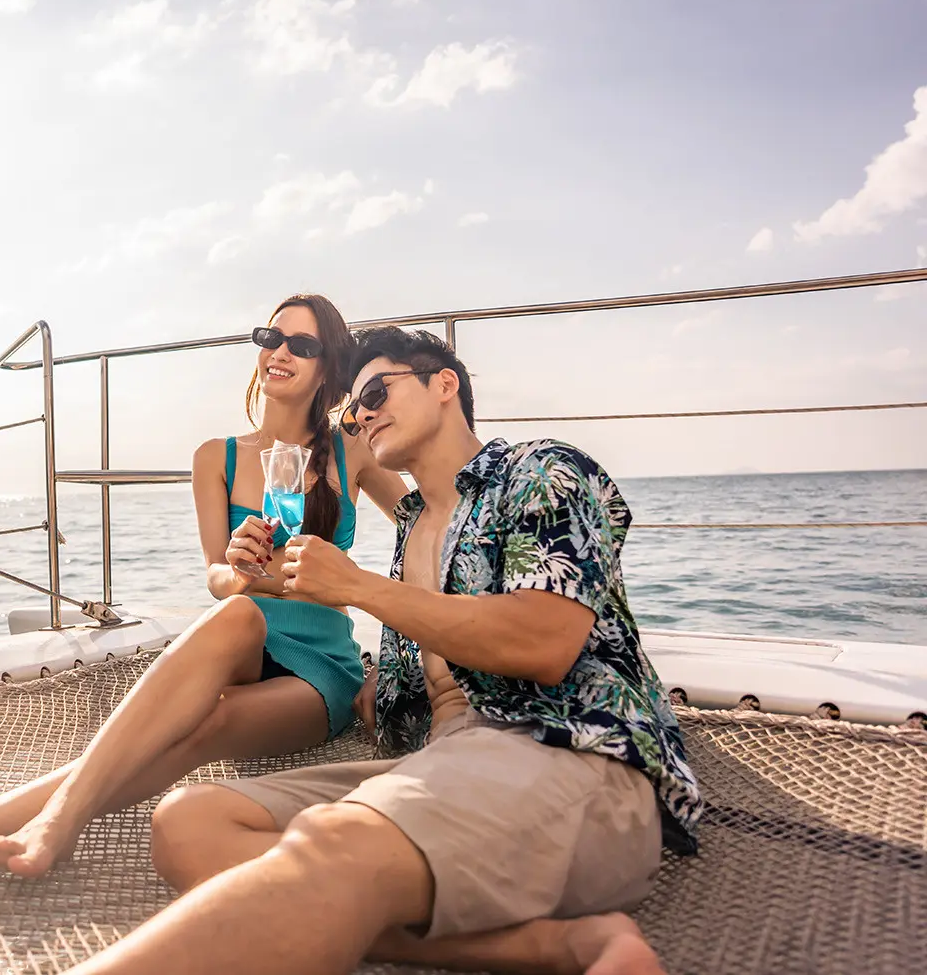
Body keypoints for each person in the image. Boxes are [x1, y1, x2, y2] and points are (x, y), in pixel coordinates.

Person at [63, 326, 702, 975]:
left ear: (444, 384)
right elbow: (426, 658)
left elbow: (543, 641)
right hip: (443, 761)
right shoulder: (412, 528)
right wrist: (377, 679)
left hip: (570, 755)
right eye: (352, 413)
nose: (362, 416)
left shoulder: (539, 471)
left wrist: (358, 588)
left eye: (375, 393)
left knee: (333, 841)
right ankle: (555, 946)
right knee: (190, 824)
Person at [0, 293, 408, 878]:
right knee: (238, 614)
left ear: (328, 368)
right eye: (270, 338)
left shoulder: (352, 452)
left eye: (302, 345)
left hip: (319, 666)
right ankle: (41, 821)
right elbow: (217, 578)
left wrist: (401, 657)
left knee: (200, 725)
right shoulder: (215, 457)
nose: (280, 353)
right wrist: (240, 569)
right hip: (243, 641)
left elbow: (425, 528)